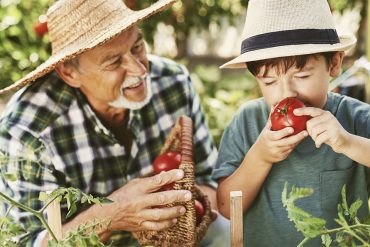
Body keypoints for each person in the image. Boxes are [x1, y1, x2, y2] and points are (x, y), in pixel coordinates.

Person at [0, 0, 228, 246]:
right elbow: (25, 242)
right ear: (69, 73)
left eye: (137, 47)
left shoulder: (173, 82)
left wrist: (183, 206)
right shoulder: (27, 131)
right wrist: (111, 215)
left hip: (172, 238)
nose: (139, 69)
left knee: (225, 232)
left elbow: (208, 178)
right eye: (114, 62)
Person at [212, 0, 370, 246]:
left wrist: (348, 143)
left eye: (302, 75)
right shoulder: (247, 122)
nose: (286, 94)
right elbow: (225, 206)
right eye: (269, 82)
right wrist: (260, 157)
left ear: (335, 63)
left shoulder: (358, 119)